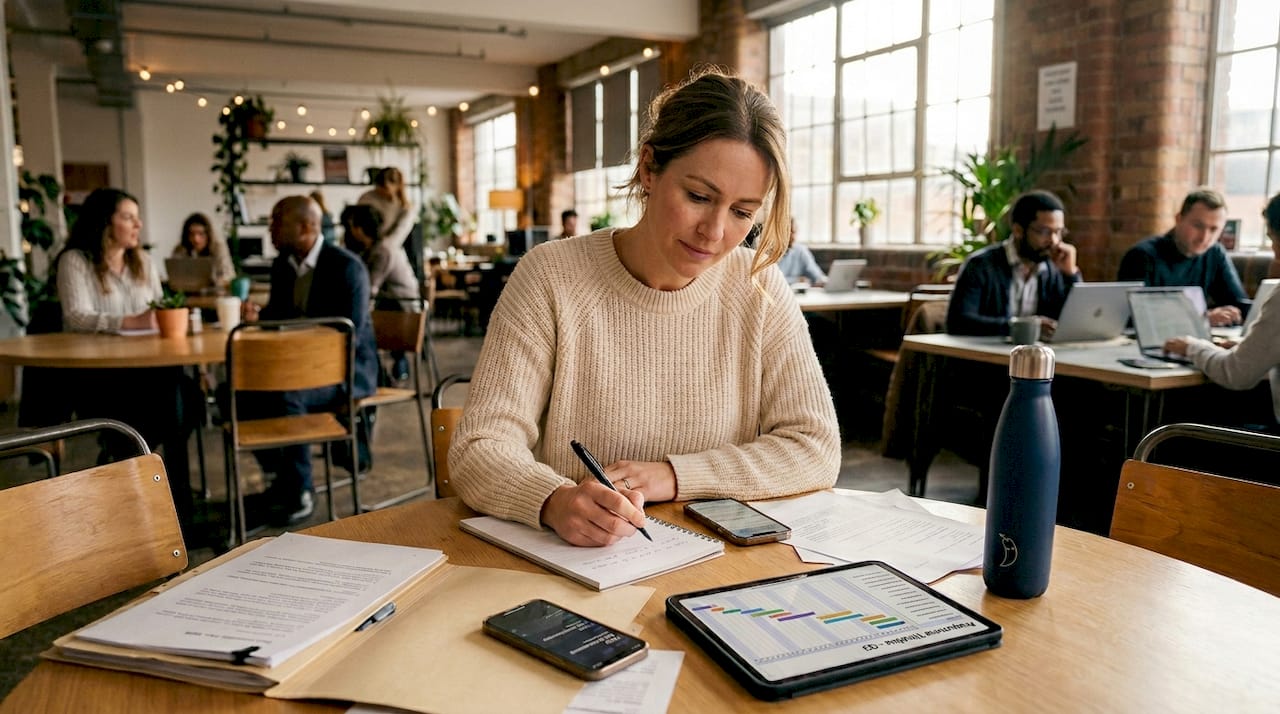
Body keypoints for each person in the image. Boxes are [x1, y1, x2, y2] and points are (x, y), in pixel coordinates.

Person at [449, 68, 841, 547]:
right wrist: (552, 500)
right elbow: (479, 448)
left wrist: (672, 476)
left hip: (716, 565)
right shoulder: (550, 276)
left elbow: (816, 448)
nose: (715, 232)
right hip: (579, 561)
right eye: (699, 197)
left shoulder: (758, 287)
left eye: (742, 212)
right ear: (649, 168)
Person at [55, 187, 199, 536]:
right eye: (128, 217)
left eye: (137, 217)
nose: (139, 224)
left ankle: (166, 496)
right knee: (175, 398)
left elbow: (161, 309)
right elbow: (75, 316)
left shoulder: (143, 262)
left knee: (184, 393)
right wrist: (126, 322)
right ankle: (169, 499)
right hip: (100, 376)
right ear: (106, 222)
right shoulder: (75, 260)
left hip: (148, 372)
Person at [238, 196, 379, 526]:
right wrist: (258, 316)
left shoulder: (346, 267)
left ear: (305, 227)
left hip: (346, 371)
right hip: (294, 369)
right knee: (240, 391)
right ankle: (282, 479)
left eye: (276, 221)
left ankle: (301, 490)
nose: (270, 228)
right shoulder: (282, 264)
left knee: (288, 396)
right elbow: (279, 315)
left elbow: (350, 334)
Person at [1163, 192, 1280, 433]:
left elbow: (1236, 374)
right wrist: (1248, 347)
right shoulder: (1144, 254)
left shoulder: (1216, 255)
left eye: (1272, 238)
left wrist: (1192, 346)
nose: (1274, 251)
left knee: (1180, 431)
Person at [946, 190, 1081, 337]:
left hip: (1035, 357)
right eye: (1044, 232)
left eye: (1059, 232)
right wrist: (1026, 327)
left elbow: (1074, 321)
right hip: (987, 356)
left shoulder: (1052, 268)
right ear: (1018, 230)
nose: (1054, 241)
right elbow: (958, 322)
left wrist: (1071, 274)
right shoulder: (980, 265)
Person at [1117, 188, 1249, 327]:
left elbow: (1238, 303)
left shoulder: (1215, 253)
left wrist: (1233, 313)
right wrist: (1202, 319)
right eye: (1198, 226)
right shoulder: (1142, 256)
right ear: (1178, 219)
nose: (1204, 238)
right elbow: (1137, 317)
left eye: (1213, 229)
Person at [341, 203, 420, 381]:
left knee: (359, 324)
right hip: (395, 305)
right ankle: (377, 374)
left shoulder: (382, 251)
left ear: (359, 228)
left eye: (351, 225)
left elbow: (369, 289)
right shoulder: (376, 248)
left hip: (403, 310)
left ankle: (374, 376)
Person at [172, 212, 235, 286]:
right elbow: (175, 276)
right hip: (189, 292)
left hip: (216, 292)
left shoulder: (218, 248)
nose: (196, 239)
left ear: (208, 234)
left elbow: (227, 276)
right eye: (192, 234)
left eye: (200, 233)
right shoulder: (180, 249)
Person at [776, 218, 827, 286]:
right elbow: (774, 281)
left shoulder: (801, 250)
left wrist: (825, 281)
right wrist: (796, 280)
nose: (793, 237)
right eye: (788, 232)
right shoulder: (769, 254)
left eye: (794, 232)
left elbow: (816, 275)